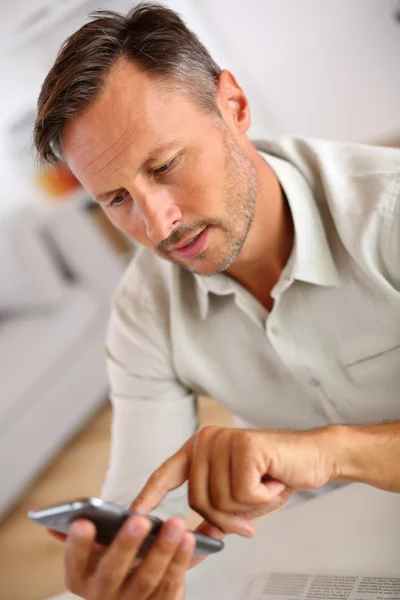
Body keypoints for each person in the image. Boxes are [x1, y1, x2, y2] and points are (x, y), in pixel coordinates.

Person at [34, 2, 400, 598]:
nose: (157, 224)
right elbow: (140, 501)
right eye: (116, 199)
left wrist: (331, 453)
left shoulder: (389, 211)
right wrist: (121, 563)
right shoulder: (144, 310)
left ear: (234, 106)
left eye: (165, 165)